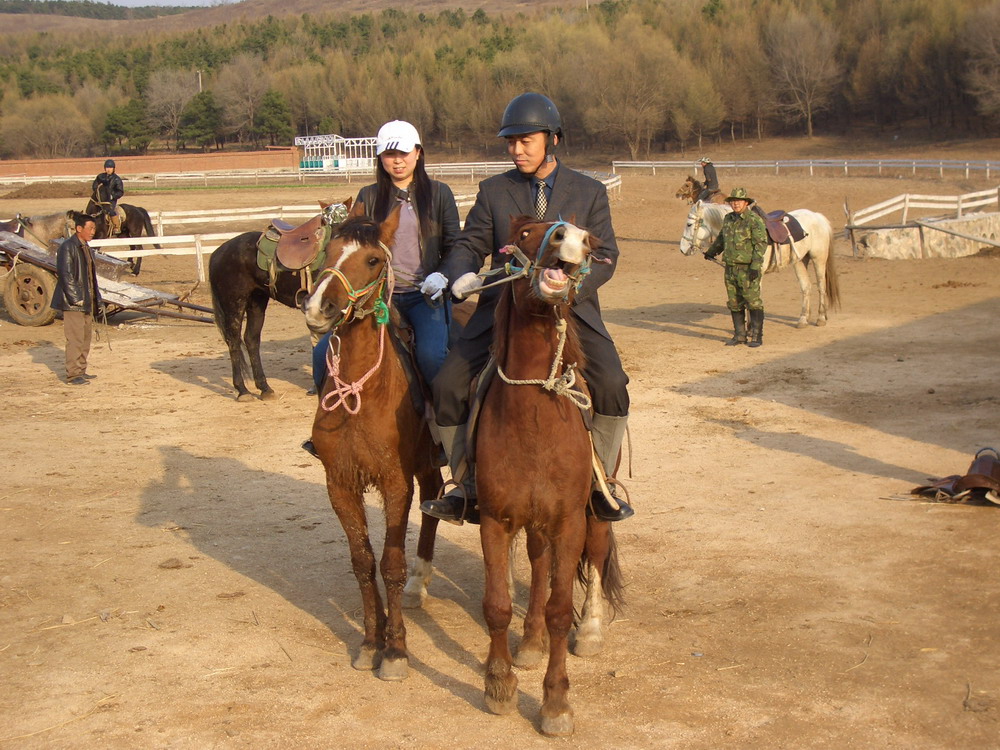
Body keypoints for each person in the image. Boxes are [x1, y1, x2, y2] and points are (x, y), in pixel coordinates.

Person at [420, 92, 634, 524]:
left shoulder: (589, 192)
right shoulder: (494, 191)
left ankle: (600, 485)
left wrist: (570, 288)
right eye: (511, 142)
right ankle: (466, 485)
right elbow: (471, 243)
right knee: (446, 386)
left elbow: (606, 255)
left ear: (553, 139)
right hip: (503, 308)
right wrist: (453, 273)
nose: (517, 150)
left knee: (612, 383)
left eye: (526, 141)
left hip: (571, 312)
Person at [304, 120, 460, 456]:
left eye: (403, 153)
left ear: (418, 154)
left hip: (424, 296)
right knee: (322, 355)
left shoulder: (439, 194)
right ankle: (326, 430)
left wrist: (443, 275)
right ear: (380, 158)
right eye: (389, 154)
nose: (396, 160)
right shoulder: (369, 196)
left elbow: (455, 244)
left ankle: (438, 435)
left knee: (432, 357)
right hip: (376, 296)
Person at [703, 187, 767, 347]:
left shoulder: (754, 220)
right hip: (730, 267)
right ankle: (739, 336)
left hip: (747, 268)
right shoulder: (729, 219)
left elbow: (760, 245)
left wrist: (755, 266)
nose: (735, 204)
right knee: (734, 302)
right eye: (733, 201)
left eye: (738, 201)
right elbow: (722, 238)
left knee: (753, 302)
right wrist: (712, 251)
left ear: (746, 202)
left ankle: (757, 336)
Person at [51, 212, 102, 385]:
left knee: (85, 338)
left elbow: (90, 278)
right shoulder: (67, 247)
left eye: (94, 228)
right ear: (79, 228)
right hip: (74, 303)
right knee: (75, 339)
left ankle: (81, 369)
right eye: (90, 228)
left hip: (86, 301)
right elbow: (66, 275)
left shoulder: (86, 247)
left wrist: (97, 299)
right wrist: (76, 299)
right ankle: (73, 374)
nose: (93, 231)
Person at [92, 159, 124, 235]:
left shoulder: (117, 179)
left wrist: (113, 195)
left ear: (113, 168)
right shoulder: (100, 177)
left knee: (109, 211)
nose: (108, 169)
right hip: (100, 199)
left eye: (110, 167)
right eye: (107, 167)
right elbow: (94, 186)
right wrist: (98, 191)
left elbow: (120, 192)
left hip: (110, 201)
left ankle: (116, 226)